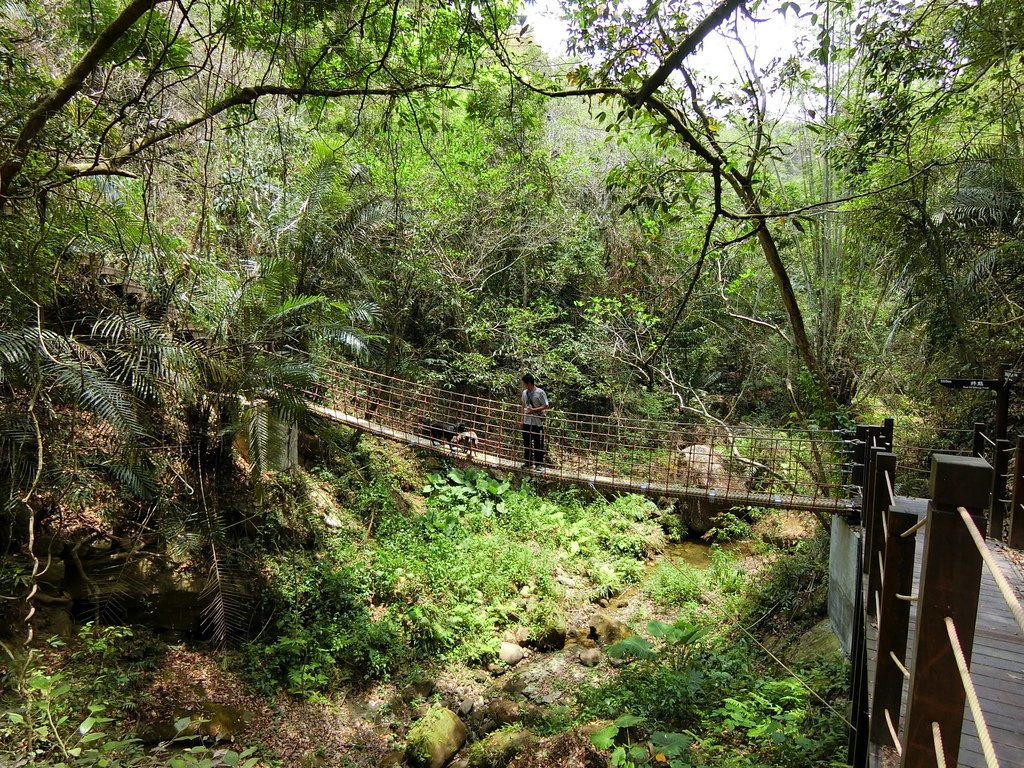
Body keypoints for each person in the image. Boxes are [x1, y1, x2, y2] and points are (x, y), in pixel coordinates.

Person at [520, 373, 549, 468]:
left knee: (538, 443)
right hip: (527, 421)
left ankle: (539, 464)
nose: (523, 385)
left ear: (529, 383)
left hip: (537, 422)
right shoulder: (524, 393)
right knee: (527, 442)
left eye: (524, 383)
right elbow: (523, 406)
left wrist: (533, 410)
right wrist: (522, 420)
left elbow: (546, 405)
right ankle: (528, 462)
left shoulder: (540, 392)